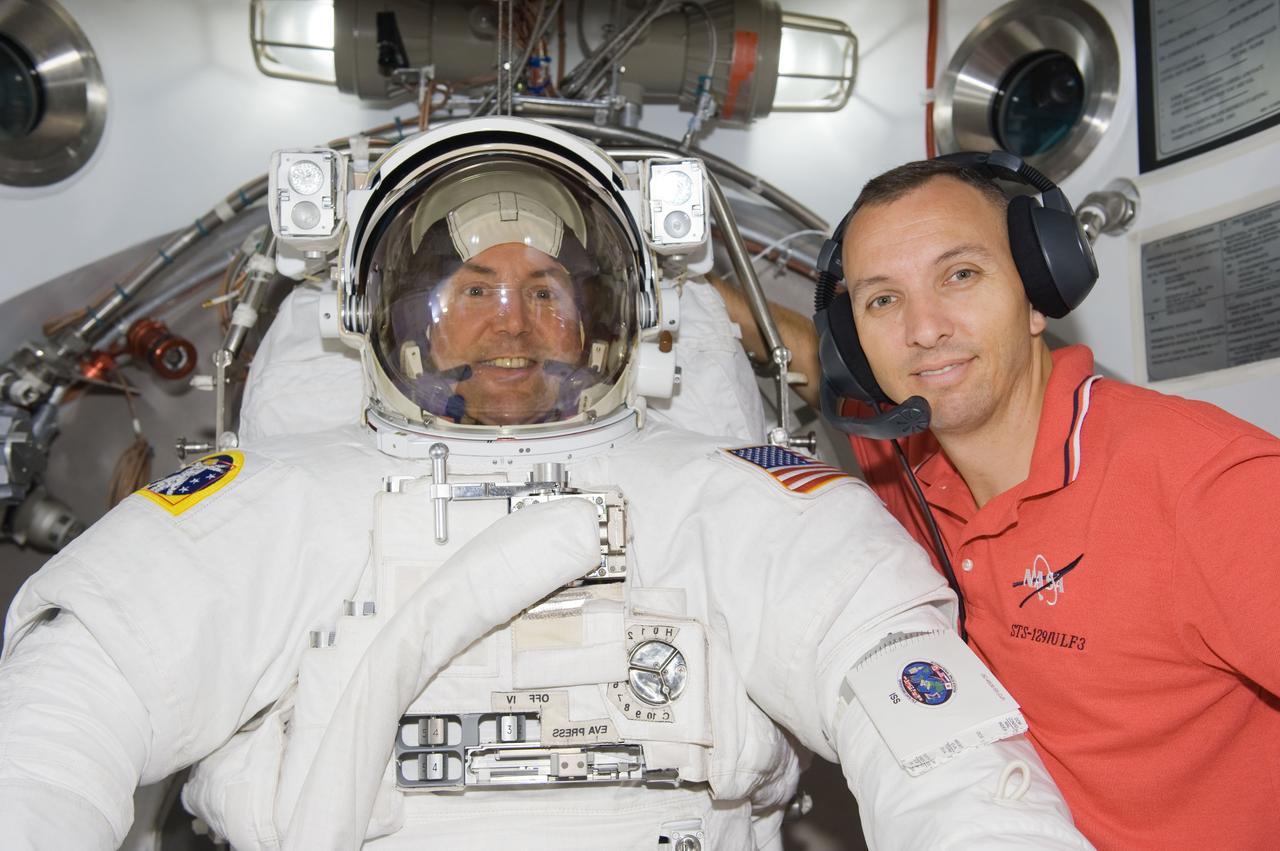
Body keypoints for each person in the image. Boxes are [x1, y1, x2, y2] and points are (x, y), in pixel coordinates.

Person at [0, 120, 1092, 850]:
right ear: (394, 316)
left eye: (547, 289)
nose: (510, 322)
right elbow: (64, 716)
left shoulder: (725, 497)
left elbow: (937, 749)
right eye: (472, 288)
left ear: (608, 318)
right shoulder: (274, 500)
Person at [718, 155, 1280, 850]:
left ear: (1038, 292)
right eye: (883, 300)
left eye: (959, 275)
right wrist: (695, 293)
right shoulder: (904, 456)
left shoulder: (1213, 489)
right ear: (856, 349)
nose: (925, 329)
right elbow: (800, 351)